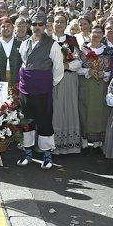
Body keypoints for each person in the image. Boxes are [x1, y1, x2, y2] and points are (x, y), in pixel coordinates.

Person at [17, 11, 64, 168]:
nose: (37, 27)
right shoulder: (24, 44)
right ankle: (28, 153)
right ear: (30, 26)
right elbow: (24, 63)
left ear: (45, 26)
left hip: (42, 90)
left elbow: (58, 70)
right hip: (25, 89)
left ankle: (47, 156)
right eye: (34, 24)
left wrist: (47, 83)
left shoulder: (53, 45)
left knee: (44, 121)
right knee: (26, 121)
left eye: (40, 24)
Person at [50, 12, 83, 155]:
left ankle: (68, 144)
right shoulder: (47, 40)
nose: (59, 24)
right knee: (53, 110)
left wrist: (66, 66)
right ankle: (50, 144)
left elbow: (78, 61)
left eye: (62, 21)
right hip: (50, 80)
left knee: (68, 108)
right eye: (57, 21)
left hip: (68, 79)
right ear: (52, 24)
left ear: (66, 24)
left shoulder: (71, 40)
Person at [78, 24, 112, 149]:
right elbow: (77, 67)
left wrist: (105, 73)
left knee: (102, 112)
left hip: (102, 85)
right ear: (90, 34)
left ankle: (99, 142)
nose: (96, 34)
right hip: (87, 84)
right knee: (85, 110)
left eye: (99, 32)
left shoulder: (108, 50)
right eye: (94, 32)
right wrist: (87, 71)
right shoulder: (83, 49)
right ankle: (85, 141)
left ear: (103, 35)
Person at [0, 17, 21, 89]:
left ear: (13, 27)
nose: (6, 28)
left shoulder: (20, 44)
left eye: (8, 26)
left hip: (17, 83)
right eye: (3, 26)